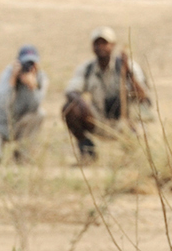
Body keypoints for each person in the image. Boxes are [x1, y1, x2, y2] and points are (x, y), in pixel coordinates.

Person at [62, 27, 151, 162]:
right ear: (92, 47)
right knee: (70, 108)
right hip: (99, 120)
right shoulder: (87, 69)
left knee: (137, 144)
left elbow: (144, 97)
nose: (100, 47)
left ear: (113, 45)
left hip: (126, 121)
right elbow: (70, 90)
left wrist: (128, 73)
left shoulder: (129, 66)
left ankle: (133, 157)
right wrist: (81, 103)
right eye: (97, 43)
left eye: (105, 43)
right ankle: (87, 151)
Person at [0, 45, 48, 163]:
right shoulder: (8, 74)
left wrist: (33, 87)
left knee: (40, 114)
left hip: (17, 124)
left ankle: (21, 156)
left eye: (31, 64)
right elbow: (2, 105)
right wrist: (12, 81)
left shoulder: (41, 78)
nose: (28, 68)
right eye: (25, 64)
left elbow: (36, 107)